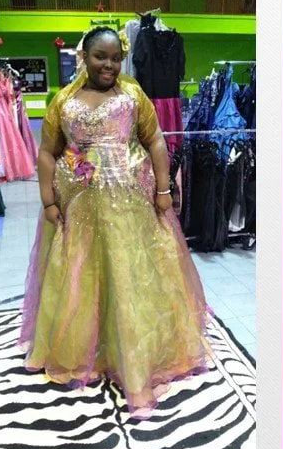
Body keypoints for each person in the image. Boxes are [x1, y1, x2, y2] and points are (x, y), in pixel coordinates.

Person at [21, 26, 209, 417]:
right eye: (99, 57)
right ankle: (84, 346)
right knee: (80, 274)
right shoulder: (64, 100)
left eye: (115, 58)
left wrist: (162, 190)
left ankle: (132, 351)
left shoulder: (132, 95)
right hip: (80, 203)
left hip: (129, 204)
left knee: (129, 276)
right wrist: (48, 200)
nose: (108, 65)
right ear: (84, 57)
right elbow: (47, 153)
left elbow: (155, 140)